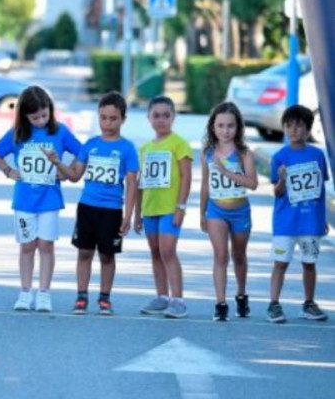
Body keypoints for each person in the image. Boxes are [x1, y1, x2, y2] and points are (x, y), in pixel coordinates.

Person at [0, 85, 82, 312]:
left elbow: (82, 151)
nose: (41, 120)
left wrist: (65, 169)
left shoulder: (59, 131)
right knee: (27, 246)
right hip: (24, 200)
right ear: (24, 116)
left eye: (45, 115)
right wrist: (8, 170)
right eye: (35, 117)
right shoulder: (18, 134)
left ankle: (44, 292)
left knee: (46, 245)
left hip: (49, 200)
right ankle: (25, 292)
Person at [50, 92, 138, 316]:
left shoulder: (127, 149)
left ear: (123, 119)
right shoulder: (90, 145)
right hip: (88, 207)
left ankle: (105, 298)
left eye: (113, 118)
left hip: (111, 210)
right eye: (103, 118)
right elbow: (74, 175)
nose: (107, 123)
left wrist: (128, 216)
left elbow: (131, 184)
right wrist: (58, 162)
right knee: (84, 252)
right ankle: (81, 296)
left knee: (107, 255)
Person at [267, 105, 329, 323]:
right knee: (280, 263)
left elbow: (320, 189)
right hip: (286, 222)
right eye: (289, 125)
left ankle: (308, 303)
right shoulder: (279, 157)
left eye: (299, 126)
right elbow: (277, 192)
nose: (294, 130)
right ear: (284, 128)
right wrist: (282, 179)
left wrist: (322, 220)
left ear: (308, 129)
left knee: (309, 263)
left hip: (310, 222)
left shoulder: (317, 155)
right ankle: (274, 304)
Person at [134, 96, 192, 319]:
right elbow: (140, 183)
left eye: (166, 115)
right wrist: (138, 213)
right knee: (155, 252)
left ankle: (178, 300)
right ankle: (162, 296)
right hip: (151, 209)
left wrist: (181, 206)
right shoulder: (145, 148)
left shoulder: (179, 144)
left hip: (170, 208)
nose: (161, 120)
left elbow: (186, 176)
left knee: (168, 251)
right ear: (149, 118)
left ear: (173, 118)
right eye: (156, 115)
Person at [199, 102, 257, 322]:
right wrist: (202, 212)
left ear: (238, 128)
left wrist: (226, 171)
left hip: (240, 211)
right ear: (213, 128)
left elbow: (252, 183)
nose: (225, 131)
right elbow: (205, 185)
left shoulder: (243, 153)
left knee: (239, 256)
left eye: (230, 126)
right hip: (216, 211)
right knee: (220, 256)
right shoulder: (208, 153)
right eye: (221, 125)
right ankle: (220, 303)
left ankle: (241, 295)